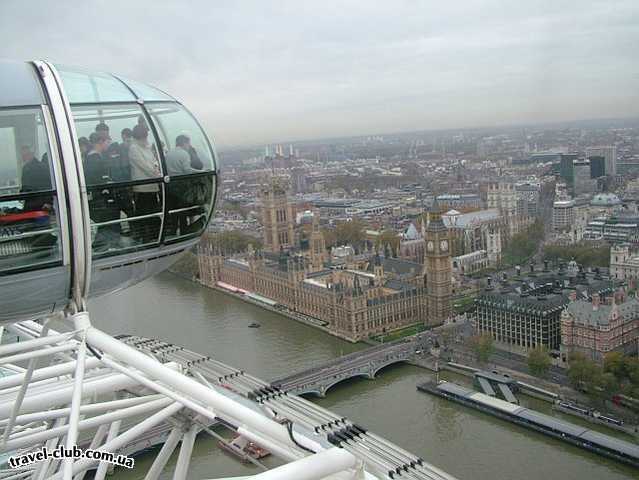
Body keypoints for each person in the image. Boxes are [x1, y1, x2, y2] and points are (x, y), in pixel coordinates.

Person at [128, 124, 161, 243]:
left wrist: (156, 169)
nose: (146, 139)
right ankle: (146, 237)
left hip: (152, 186)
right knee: (144, 214)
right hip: (142, 188)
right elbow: (143, 166)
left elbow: (154, 161)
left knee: (153, 212)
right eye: (144, 136)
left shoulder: (146, 147)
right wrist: (156, 174)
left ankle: (153, 236)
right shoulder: (134, 148)